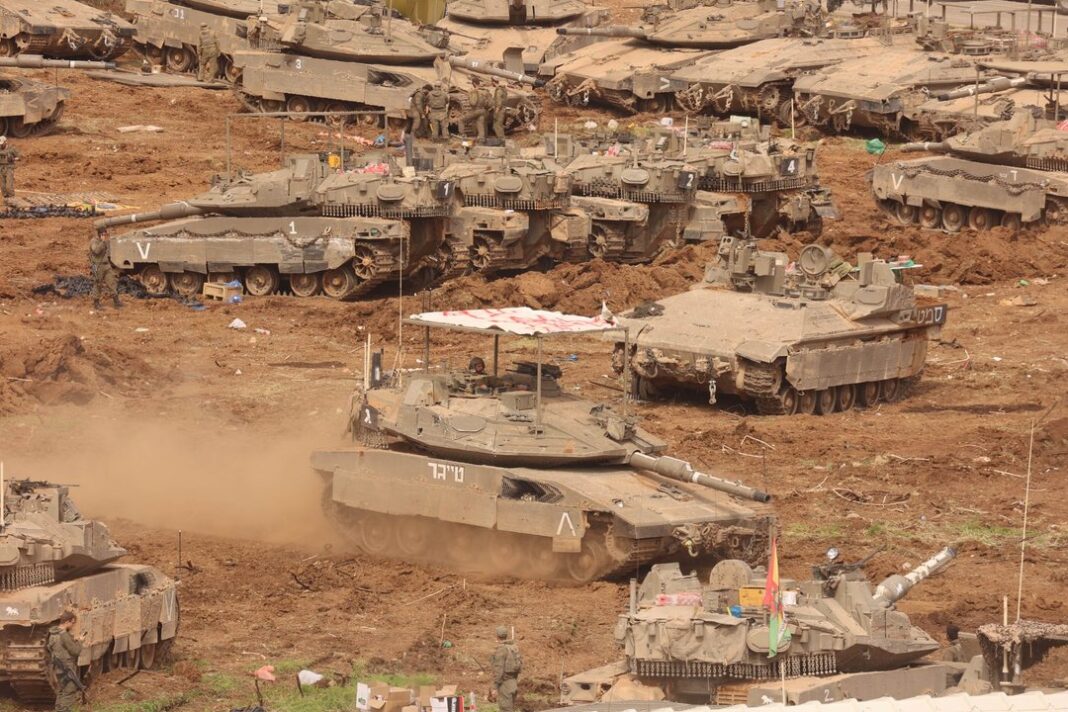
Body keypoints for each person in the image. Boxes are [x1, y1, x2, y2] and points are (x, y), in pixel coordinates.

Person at [47, 611, 85, 712]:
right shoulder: (64, 635)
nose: (73, 625)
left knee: (61, 691)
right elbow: (75, 651)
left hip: (58, 667)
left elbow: (52, 648)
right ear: (67, 622)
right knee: (69, 691)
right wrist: (80, 642)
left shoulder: (53, 634)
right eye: (72, 623)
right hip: (67, 667)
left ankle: (58, 710)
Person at [490, 626, 521, 712]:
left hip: (505, 685)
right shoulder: (513, 647)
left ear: (497, 636)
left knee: (505, 709)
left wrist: (494, 687)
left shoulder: (501, 649)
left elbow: (498, 670)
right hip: (513, 683)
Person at [89, 235, 122, 309]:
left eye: (105, 234)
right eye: (103, 234)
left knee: (112, 282)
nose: (105, 236)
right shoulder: (94, 241)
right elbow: (96, 251)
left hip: (106, 265)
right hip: (97, 265)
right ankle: (96, 303)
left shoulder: (104, 242)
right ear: (100, 234)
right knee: (98, 283)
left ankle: (116, 301)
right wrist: (102, 242)